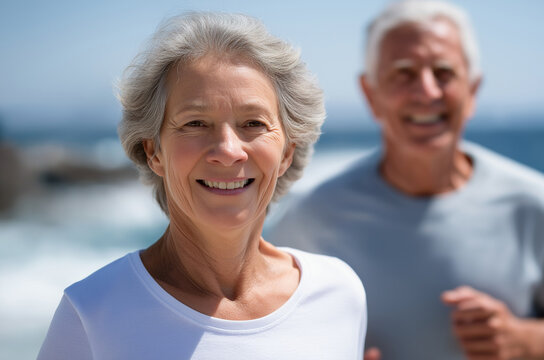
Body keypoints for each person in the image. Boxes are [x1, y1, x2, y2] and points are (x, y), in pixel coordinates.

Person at [269, 1, 544, 359]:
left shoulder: (532, 200)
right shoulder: (313, 214)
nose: (427, 92)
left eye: (443, 73)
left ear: (472, 91)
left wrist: (523, 340)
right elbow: (270, 335)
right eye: (404, 73)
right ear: (371, 94)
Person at [38, 12, 366, 360]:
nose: (227, 151)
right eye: (195, 123)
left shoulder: (339, 293)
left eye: (253, 123)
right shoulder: (91, 314)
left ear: (287, 151)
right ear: (154, 151)